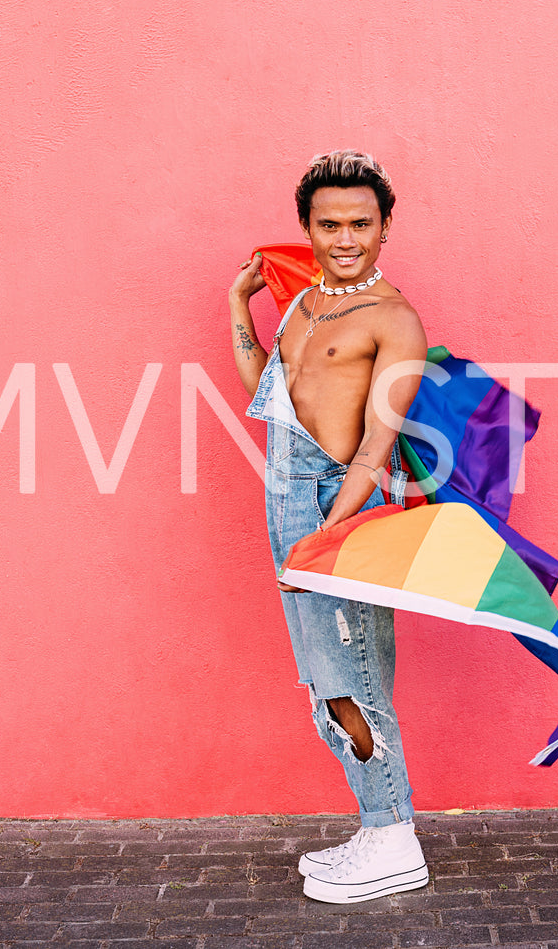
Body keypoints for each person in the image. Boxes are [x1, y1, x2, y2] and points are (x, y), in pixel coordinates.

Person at [228, 150, 430, 903]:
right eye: (329, 225)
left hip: (330, 505)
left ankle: (393, 837)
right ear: (306, 228)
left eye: (361, 224)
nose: (345, 239)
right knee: (322, 679)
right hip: (286, 496)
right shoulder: (301, 303)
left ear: (385, 228)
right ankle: (376, 821)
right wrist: (237, 307)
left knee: (352, 680)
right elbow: (267, 399)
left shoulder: (393, 319)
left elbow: (376, 449)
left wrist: (322, 538)